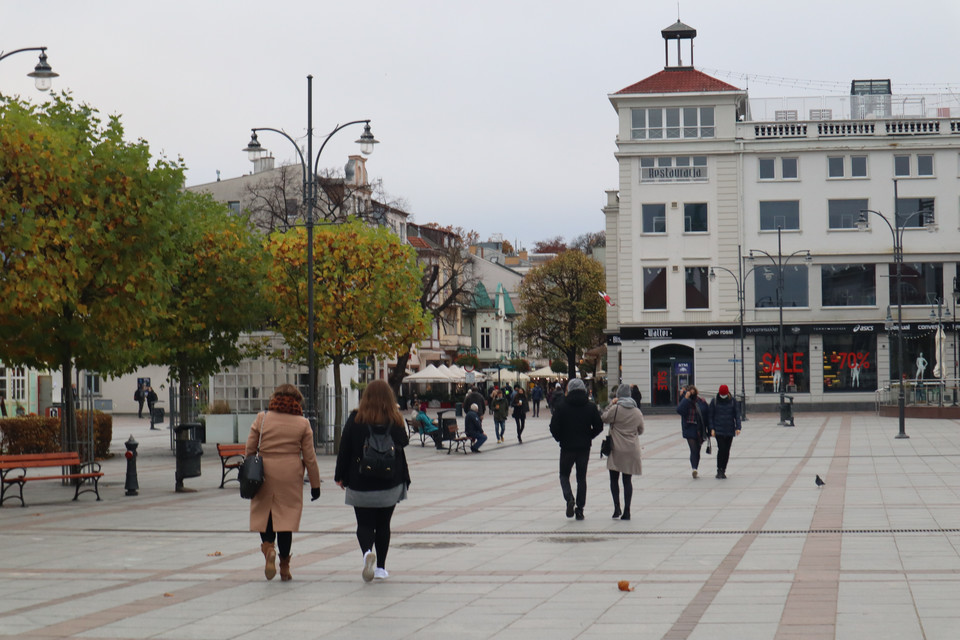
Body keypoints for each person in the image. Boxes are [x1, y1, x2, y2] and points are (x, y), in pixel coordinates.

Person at [335, 380, 411, 582]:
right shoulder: (394, 419)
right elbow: (404, 442)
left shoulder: (355, 418)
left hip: (360, 480)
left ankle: (366, 552)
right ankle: (381, 568)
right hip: (389, 481)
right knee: (384, 524)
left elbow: (345, 449)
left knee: (364, 523)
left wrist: (340, 476)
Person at [246, 384, 321, 582]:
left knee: (265, 515)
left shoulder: (263, 418)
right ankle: (285, 568)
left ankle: (269, 548)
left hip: (264, 472)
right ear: (297, 401)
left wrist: (250, 467)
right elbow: (310, 457)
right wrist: (315, 485)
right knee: (286, 520)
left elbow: (250, 447)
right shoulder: (303, 423)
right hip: (290, 472)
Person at [549, 378, 604, 520]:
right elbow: (599, 426)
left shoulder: (561, 406)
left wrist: (560, 438)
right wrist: (589, 436)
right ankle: (580, 509)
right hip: (584, 447)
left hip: (567, 447)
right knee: (581, 478)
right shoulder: (590, 406)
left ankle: (569, 498)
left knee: (564, 475)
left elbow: (553, 427)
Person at [602, 384, 644, 520]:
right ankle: (627, 511)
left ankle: (616, 508)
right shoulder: (637, 412)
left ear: (618, 395)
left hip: (616, 449)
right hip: (632, 450)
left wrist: (610, 404)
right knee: (627, 481)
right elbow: (641, 430)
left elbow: (604, 417)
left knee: (614, 479)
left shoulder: (615, 409)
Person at [708, 384, 741, 479]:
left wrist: (738, 427)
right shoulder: (714, 401)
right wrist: (712, 428)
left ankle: (724, 469)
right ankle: (719, 470)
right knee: (721, 449)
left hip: (730, 429)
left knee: (727, 451)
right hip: (718, 430)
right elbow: (710, 416)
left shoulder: (733, 401)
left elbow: (737, 415)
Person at [676, 385, 709, 478]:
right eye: (690, 392)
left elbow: (707, 414)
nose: (692, 394)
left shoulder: (701, 402)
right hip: (689, 428)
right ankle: (694, 468)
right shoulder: (685, 401)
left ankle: (695, 467)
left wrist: (710, 429)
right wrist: (685, 398)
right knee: (693, 449)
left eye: (693, 392)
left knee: (697, 450)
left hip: (699, 428)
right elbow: (679, 410)